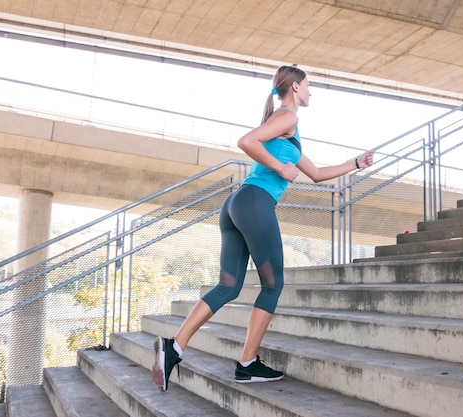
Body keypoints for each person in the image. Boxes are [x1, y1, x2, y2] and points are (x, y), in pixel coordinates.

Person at [152, 65, 375, 390]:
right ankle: (247, 364)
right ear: (296, 87)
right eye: (309, 86)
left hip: (236, 206)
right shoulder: (288, 117)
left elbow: (316, 173)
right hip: (255, 203)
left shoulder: (286, 129)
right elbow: (246, 141)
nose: (311, 92)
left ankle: (174, 348)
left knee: (229, 287)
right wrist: (280, 168)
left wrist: (356, 163)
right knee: (272, 285)